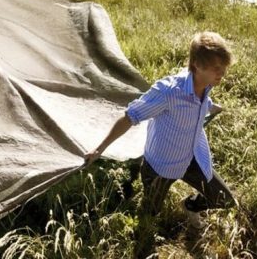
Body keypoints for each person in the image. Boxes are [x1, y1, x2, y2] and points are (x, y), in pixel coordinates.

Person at [84, 31, 236, 259]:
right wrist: (99, 149)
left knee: (225, 200)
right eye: (217, 68)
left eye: (223, 68)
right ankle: (141, 250)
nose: (222, 74)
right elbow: (129, 117)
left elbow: (202, 102)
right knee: (148, 216)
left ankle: (190, 207)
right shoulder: (168, 92)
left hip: (192, 158)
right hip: (160, 167)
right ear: (197, 64)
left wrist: (212, 107)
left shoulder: (206, 86)